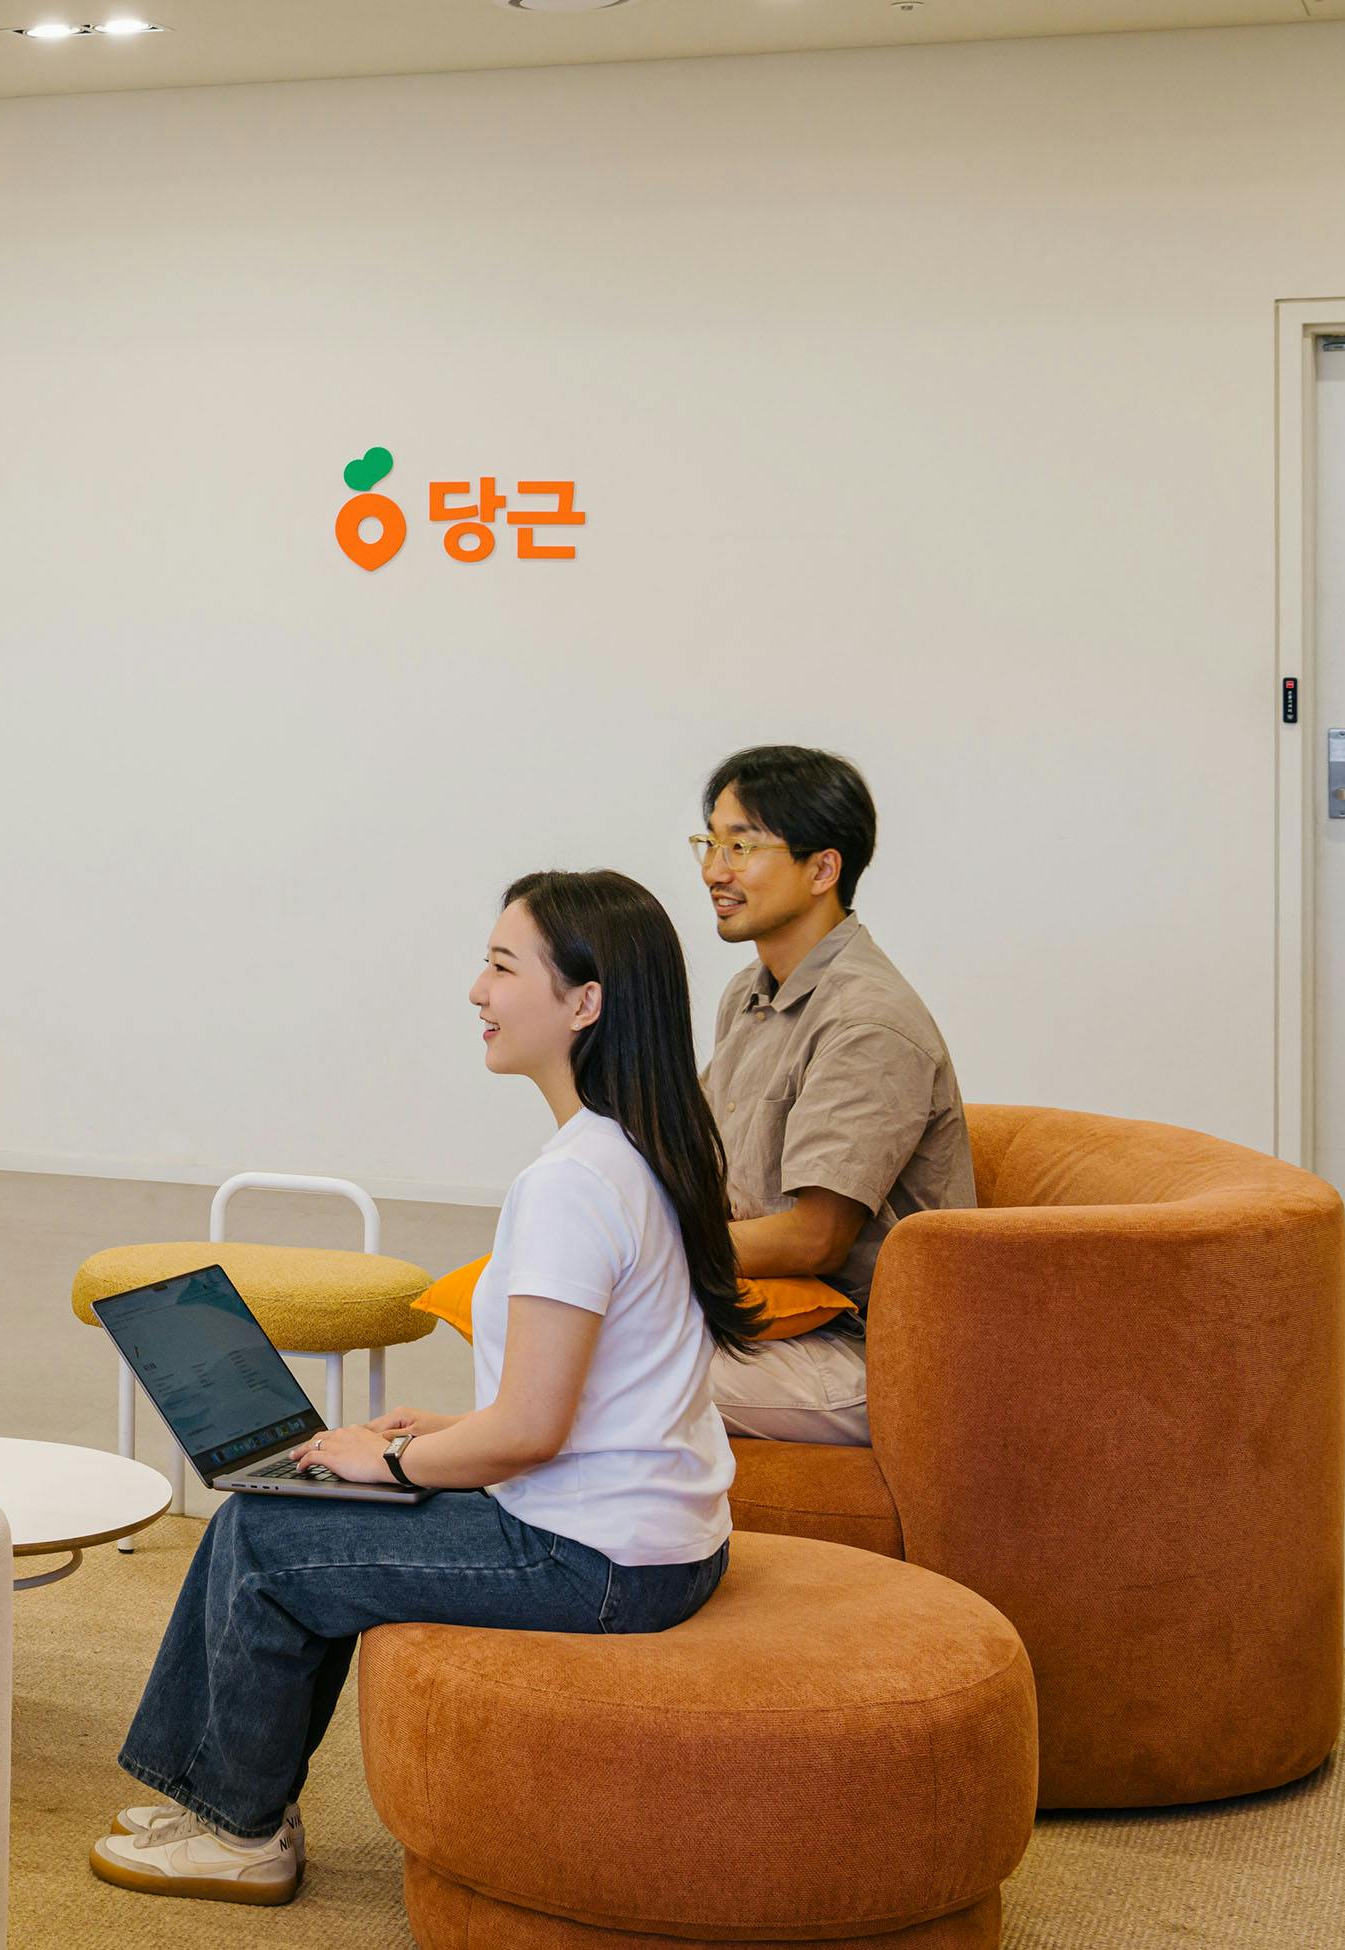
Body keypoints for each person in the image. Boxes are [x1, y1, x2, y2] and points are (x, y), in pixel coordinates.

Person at [92, 872, 748, 1908]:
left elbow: (531, 1432)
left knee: (266, 1537)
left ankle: (239, 1834)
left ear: (584, 1001)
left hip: (593, 1561)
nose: (477, 990)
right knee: (280, 1501)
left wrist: (394, 1459)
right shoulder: (645, 1148)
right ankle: (219, 1798)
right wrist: (448, 1429)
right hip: (655, 1539)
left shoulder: (573, 1182)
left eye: (502, 966)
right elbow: (598, 1393)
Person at [692, 746, 973, 1445]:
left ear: (822, 869)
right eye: (710, 842)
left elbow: (814, 1238)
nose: (714, 871)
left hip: (860, 1351)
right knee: (557, 1325)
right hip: (768, 1312)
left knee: (603, 1370)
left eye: (741, 846)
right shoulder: (749, 993)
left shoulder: (865, 1021)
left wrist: (642, 1255)